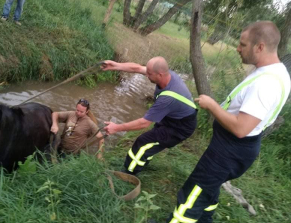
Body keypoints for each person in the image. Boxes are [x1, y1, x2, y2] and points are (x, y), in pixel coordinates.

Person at [167, 21, 290, 223]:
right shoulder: (277, 72)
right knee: (209, 188)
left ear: (260, 47)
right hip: (236, 148)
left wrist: (212, 106)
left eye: (242, 44)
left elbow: (241, 128)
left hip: (230, 149)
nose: (237, 48)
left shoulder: (266, 84)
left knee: (193, 194)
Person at [102, 56, 198, 175]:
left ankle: (129, 173)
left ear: (160, 74)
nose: (146, 76)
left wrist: (116, 128)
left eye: (149, 74)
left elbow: (144, 123)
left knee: (143, 142)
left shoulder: (168, 98)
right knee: (152, 140)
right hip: (172, 117)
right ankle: (143, 160)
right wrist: (115, 65)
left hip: (180, 127)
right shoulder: (167, 75)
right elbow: (137, 68)